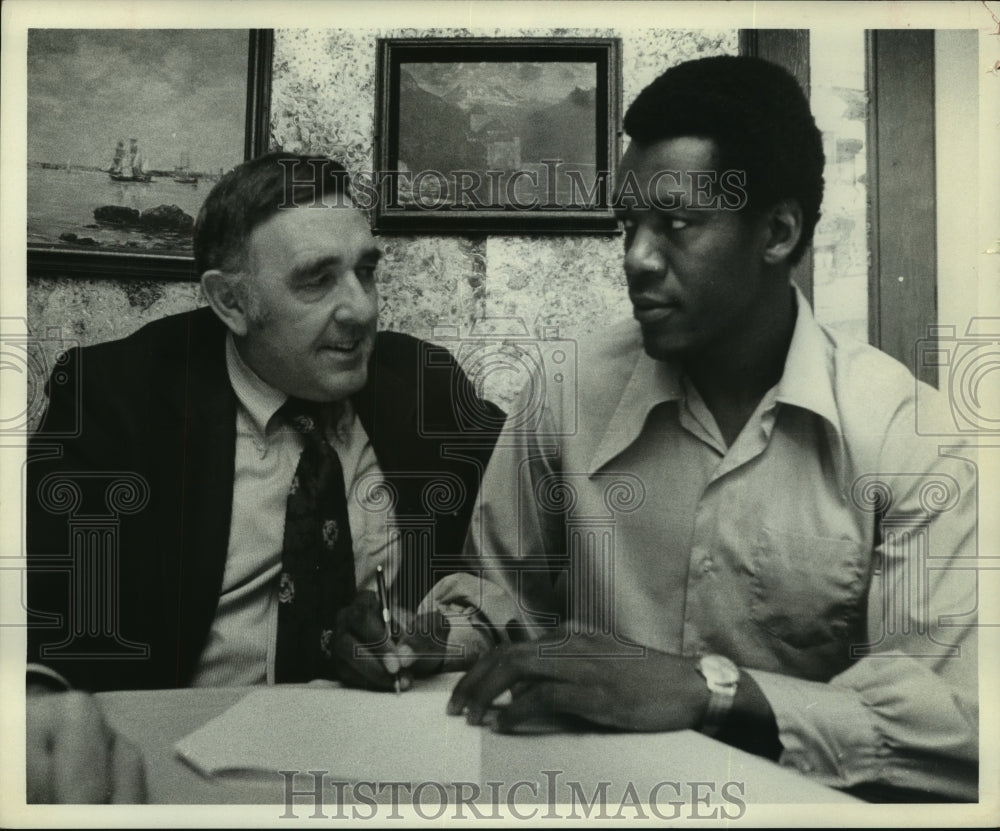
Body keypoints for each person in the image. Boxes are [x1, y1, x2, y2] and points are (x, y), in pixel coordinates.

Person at [380, 55, 978, 802]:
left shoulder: (907, 436)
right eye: (628, 225)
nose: (635, 258)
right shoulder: (566, 391)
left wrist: (708, 691)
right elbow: (496, 597)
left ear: (779, 231)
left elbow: (955, 725)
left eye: (677, 224)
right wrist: (424, 637)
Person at [24, 152, 502, 802]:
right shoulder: (114, 403)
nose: (360, 310)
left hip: (388, 766)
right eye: (317, 280)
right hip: (176, 767)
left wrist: (434, 633)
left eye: (366, 271)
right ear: (231, 301)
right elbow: (44, 623)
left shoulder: (423, 388)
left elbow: (524, 555)